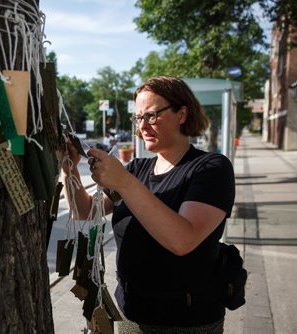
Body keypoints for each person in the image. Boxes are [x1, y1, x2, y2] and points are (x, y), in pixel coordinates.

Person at [62, 76, 235, 333]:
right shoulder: (138, 168)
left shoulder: (211, 168)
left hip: (184, 322)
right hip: (129, 313)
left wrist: (124, 182)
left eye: (152, 116)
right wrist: (70, 169)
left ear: (182, 114)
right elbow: (84, 211)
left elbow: (182, 240)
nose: (143, 126)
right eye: (138, 118)